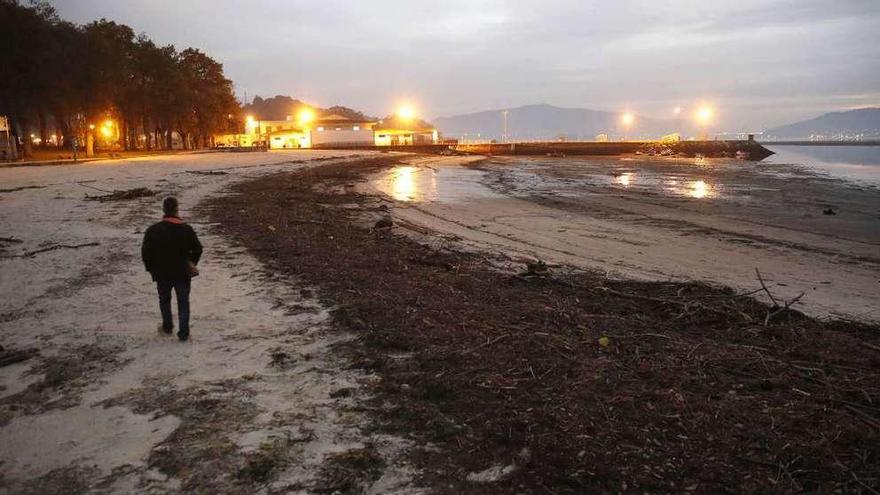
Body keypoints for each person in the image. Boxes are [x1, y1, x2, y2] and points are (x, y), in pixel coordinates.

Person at [141, 197, 203, 341]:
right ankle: (183, 333)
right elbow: (198, 249)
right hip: (182, 272)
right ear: (177, 209)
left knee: (164, 300)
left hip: (162, 273)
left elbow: (146, 254)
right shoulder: (186, 229)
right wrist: (191, 263)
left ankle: (167, 327)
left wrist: (151, 269)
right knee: (183, 302)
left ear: (163, 210)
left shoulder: (153, 230)